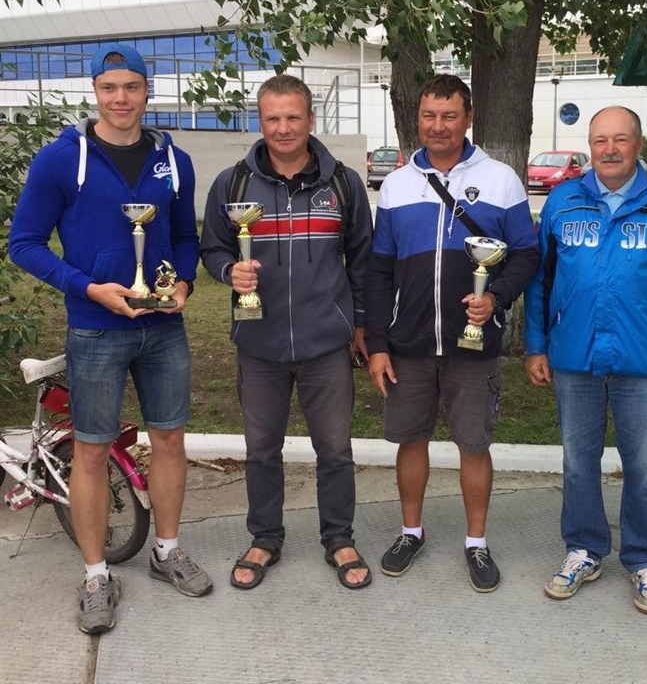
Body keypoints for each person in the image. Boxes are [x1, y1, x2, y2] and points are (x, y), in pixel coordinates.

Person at [9, 43, 212, 635]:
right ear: (95, 91)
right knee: (92, 451)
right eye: (109, 87)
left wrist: (184, 284)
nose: (121, 98)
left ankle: (167, 551)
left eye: (132, 86)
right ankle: (96, 575)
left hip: (162, 327)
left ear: (147, 91)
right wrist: (87, 287)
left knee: (169, 441)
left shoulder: (174, 160)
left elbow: (185, 237)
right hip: (96, 327)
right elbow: (24, 243)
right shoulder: (60, 159)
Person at [524, 105, 647, 615]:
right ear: (589, 147)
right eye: (599, 140)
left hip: (645, 359)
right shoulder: (563, 201)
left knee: (643, 468)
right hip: (574, 357)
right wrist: (536, 345)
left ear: (638, 145)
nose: (609, 150)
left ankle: (645, 559)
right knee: (577, 462)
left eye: (620, 139)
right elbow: (540, 281)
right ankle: (584, 549)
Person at [365, 74, 539, 593]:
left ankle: (476, 542)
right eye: (428, 116)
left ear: (468, 118)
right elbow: (379, 271)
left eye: (448, 116)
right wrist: (378, 345)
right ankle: (410, 533)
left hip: (474, 345)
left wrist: (496, 297)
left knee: (474, 445)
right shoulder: (396, 185)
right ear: (417, 118)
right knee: (410, 441)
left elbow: (526, 254)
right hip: (408, 344)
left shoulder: (501, 179)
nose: (437, 126)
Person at [200, 74, 374, 590]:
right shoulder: (232, 185)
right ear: (260, 121)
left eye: (293, 117)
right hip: (258, 344)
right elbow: (212, 248)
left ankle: (338, 537)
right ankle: (265, 537)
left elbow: (362, 261)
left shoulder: (343, 183)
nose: (283, 128)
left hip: (326, 345)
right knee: (261, 450)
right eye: (272, 118)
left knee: (335, 451)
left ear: (311, 120)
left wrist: (360, 326)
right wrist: (228, 272)